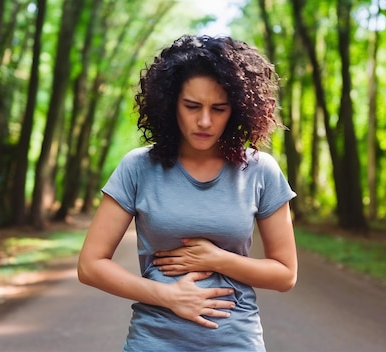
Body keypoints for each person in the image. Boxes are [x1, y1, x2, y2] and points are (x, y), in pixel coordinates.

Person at [77, 34, 298, 351]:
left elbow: (285, 274)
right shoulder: (138, 167)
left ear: (236, 110)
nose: (204, 121)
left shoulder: (261, 170)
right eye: (192, 106)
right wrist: (168, 296)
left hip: (236, 343)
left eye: (218, 109)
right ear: (171, 104)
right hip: (153, 342)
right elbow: (90, 265)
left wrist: (217, 259)